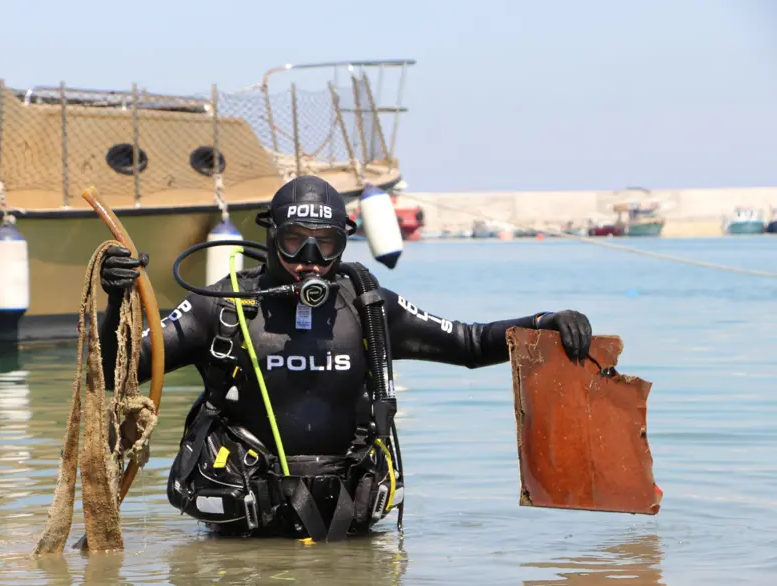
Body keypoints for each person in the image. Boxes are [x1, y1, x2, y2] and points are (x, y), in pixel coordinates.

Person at [97, 175, 592, 541]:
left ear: (343, 243)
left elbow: (467, 343)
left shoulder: (370, 310)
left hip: (351, 533)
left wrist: (543, 322)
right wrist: (116, 300)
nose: (309, 258)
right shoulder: (219, 308)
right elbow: (112, 371)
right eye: (294, 242)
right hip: (242, 541)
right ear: (270, 236)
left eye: (326, 244)